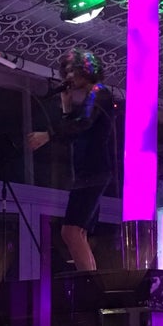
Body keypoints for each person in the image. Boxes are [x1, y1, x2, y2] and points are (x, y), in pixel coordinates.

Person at [27, 48, 114, 271]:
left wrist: (47, 135)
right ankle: (91, 280)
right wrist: (66, 106)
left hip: (93, 171)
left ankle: (89, 282)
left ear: (85, 69)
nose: (68, 77)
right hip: (89, 171)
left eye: (71, 71)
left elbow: (82, 124)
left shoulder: (99, 92)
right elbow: (75, 132)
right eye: (65, 72)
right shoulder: (93, 96)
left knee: (71, 231)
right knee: (78, 232)